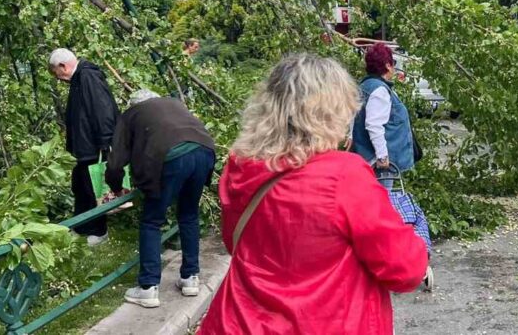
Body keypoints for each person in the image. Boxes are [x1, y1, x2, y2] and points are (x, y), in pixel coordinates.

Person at [197, 54, 428, 335]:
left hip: (240, 322)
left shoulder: (241, 168)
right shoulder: (344, 177)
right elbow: (404, 269)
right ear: (332, 113)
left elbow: (238, 243)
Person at [105, 89, 216, 308]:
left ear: (134, 105)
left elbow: (116, 161)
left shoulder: (131, 114)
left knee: (152, 221)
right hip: (205, 151)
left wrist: (116, 188)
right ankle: (190, 278)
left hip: (172, 157)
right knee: (188, 215)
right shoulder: (173, 104)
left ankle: (148, 287)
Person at [47, 49, 119, 246]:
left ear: (63, 66)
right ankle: (81, 226)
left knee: (93, 189)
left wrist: (106, 142)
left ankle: (99, 230)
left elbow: (102, 109)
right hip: (83, 148)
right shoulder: (79, 79)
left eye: (56, 73)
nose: (58, 78)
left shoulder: (88, 77)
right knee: (80, 186)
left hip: (93, 147)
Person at [350, 43, 415, 189]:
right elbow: (374, 125)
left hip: (364, 156)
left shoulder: (365, 86)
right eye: (393, 63)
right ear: (387, 65)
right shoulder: (379, 90)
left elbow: (354, 114)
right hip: (379, 163)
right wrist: (382, 156)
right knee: (381, 201)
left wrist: (350, 136)